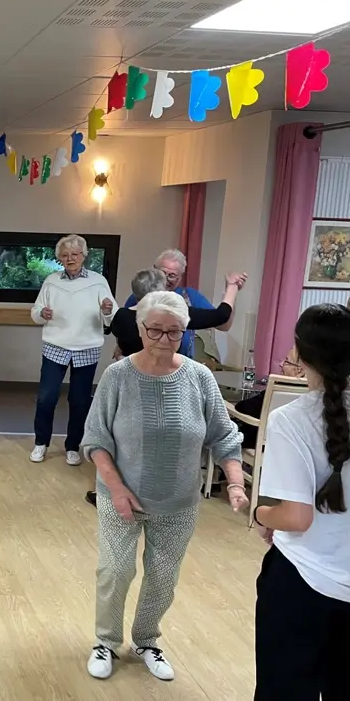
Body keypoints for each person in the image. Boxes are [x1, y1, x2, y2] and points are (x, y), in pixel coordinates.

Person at [81, 291, 247, 681]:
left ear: (184, 333)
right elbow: (95, 439)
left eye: (174, 332)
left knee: (163, 576)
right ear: (140, 329)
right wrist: (116, 488)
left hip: (177, 501)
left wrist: (236, 483)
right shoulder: (118, 376)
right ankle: (106, 641)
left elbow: (224, 436)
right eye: (155, 330)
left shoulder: (199, 377)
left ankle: (146, 640)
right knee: (115, 570)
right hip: (121, 495)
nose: (163, 339)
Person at [252, 304, 350, 700]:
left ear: (302, 354)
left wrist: (261, 514)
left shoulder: (291, 419)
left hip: (303, 582)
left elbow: (295, 517)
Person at [29, 234, 116, 466]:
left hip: (87, 348)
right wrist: (42, 313)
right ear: (59, 258)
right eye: (65, 255)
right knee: (46, 398)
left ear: (84, 256)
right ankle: (41, 442)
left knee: (80, 401)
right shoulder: (51, 281)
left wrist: (107, 310)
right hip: (55, 346)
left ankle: (73, 446)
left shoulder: (98, 281)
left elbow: (111, 317)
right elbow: (35, 313)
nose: (70, 259)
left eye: (75, 254)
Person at [107, 268, 246, 358]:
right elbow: (221, 316)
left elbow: (119, 340)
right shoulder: (172, 314)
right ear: (161, 292)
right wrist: (232, 287)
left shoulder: (121, 316)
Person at [122, 248, 229, 358]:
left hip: (180, 362)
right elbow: (125, 326)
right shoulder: (140, 296)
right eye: (163, 273)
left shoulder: (190, 296)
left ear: (180, 277)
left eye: (172, 275)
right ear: (154, 270)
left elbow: (223, 324)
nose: (166, 279)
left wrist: (230, 290)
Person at [233, 345, 306, 447]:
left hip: (260, 444)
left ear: (299, 370)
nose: (281, 364)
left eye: (286, 361)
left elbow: (242, 407)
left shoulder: (278, 390)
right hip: (288, 444)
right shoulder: (311, 394)